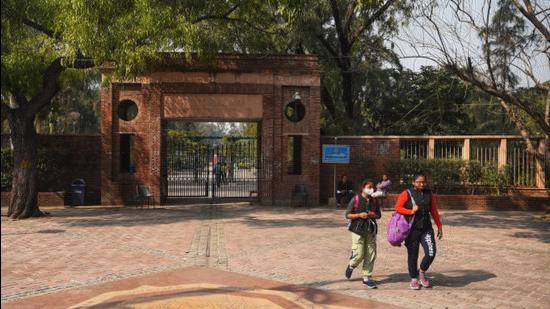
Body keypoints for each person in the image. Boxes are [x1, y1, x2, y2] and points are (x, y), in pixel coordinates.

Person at [394, 172, 443, 290]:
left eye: (423, 182)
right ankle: (414, 278)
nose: (421, 184)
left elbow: (434, 211)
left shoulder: (429, 194)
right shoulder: (406, 193)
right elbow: (398, 208)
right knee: (413, 255)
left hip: (426, 229)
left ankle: (421, 272)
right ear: (413, 182)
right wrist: (411, 211)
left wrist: (439, 226)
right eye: (418, 182)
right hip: (411, 230)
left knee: (431, 252)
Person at [344, 180, 381, 289]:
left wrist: (373, 214)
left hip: (370, 230)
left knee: (371, 253)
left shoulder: (374, 201)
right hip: (357, 230)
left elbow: (379, 215)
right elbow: (347, 214)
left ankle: (366, 277)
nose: (371, 189)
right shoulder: (356, 199)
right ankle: (352, 265)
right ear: (363, 188)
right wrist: (359, 215)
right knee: (359, 254)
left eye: (372, 187)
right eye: (369, 187)